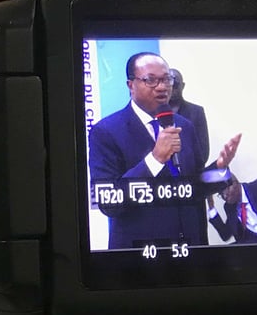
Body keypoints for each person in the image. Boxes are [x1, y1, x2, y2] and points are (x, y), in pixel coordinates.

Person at [89, 52, 242, 249]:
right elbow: (108, 203)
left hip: (191, 248)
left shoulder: (184, 126)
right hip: (140, 253)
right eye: (151, 80)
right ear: (130, 85)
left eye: (166, 79)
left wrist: (219, 168)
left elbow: (193, 187)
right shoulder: (106, 131)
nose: (162, 87)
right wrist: (155, 159)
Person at [168, 67, 210, 165]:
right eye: (169, 84)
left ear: (182, 86)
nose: (172, 88)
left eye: (176, 84)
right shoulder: (156, 113)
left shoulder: (196, 111)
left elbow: (203, 150)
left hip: (192, 171)